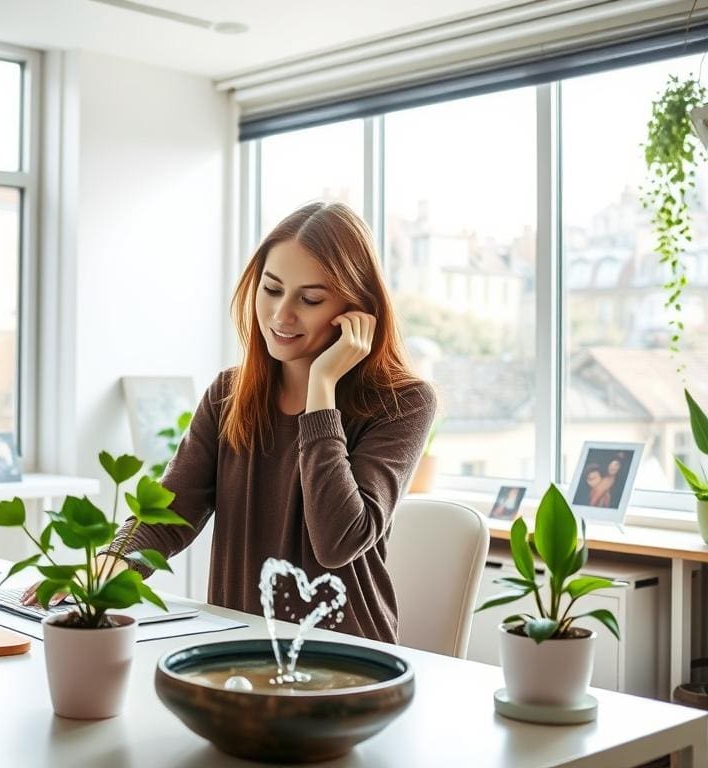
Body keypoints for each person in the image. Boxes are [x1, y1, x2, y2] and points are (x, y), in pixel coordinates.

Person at [23, 202, 436, 644]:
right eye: (272, 289)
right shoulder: (229, 393)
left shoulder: (404, 403)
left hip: (346, 660)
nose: (281, 315)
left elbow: (338, 542)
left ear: (357, 307)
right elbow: (169, 513)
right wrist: (102, 569)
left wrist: (322, 392)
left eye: (310, 299)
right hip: (237, 651)